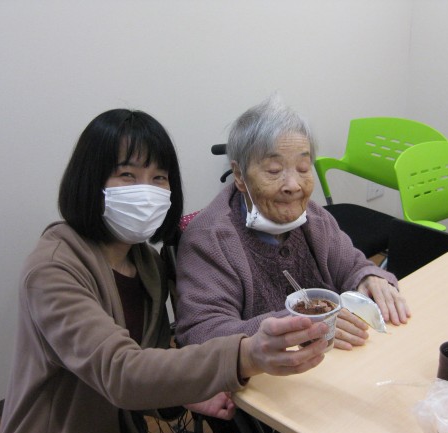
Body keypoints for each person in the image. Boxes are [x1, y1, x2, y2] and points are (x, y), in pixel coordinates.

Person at [0, 109, 330, 433]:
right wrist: (246, 354)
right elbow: (119, 373)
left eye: (159, 177)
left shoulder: (147, 265)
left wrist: (184, 395)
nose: (146, 192)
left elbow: (147, 362)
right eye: (127, 175)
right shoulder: (53, 269)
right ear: (89, 181)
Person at [175, 95, 411, 351]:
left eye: (303, 168)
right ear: (240, 176)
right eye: (274, 171)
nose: (293, 185)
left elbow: (352, 265)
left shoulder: (314, 218)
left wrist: (368, 278)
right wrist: (301, 325)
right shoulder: (209, 239)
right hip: (263, 373)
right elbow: (201, 332)